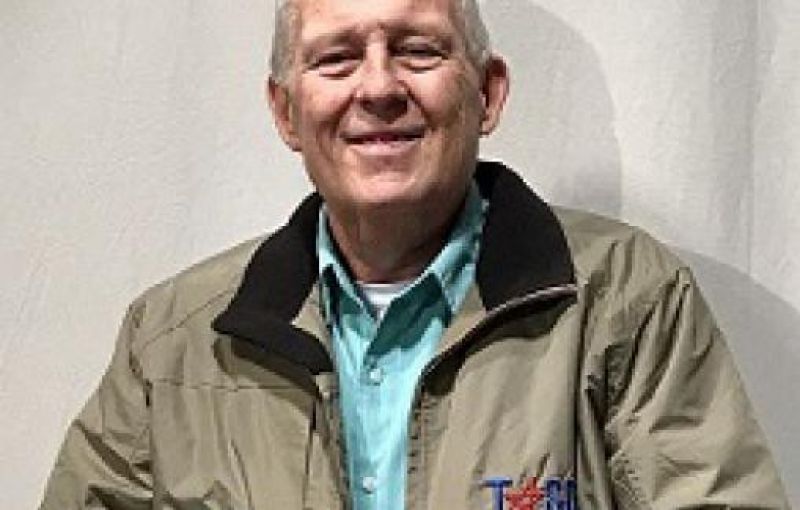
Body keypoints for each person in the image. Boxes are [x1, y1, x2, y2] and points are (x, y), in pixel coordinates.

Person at [40, 0, 789, 508]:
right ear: (286, 112)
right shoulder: (169, 342)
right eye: (336, 58)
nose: (378, 86)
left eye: (418, 50)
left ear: (488, 93)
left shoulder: (626, 299)